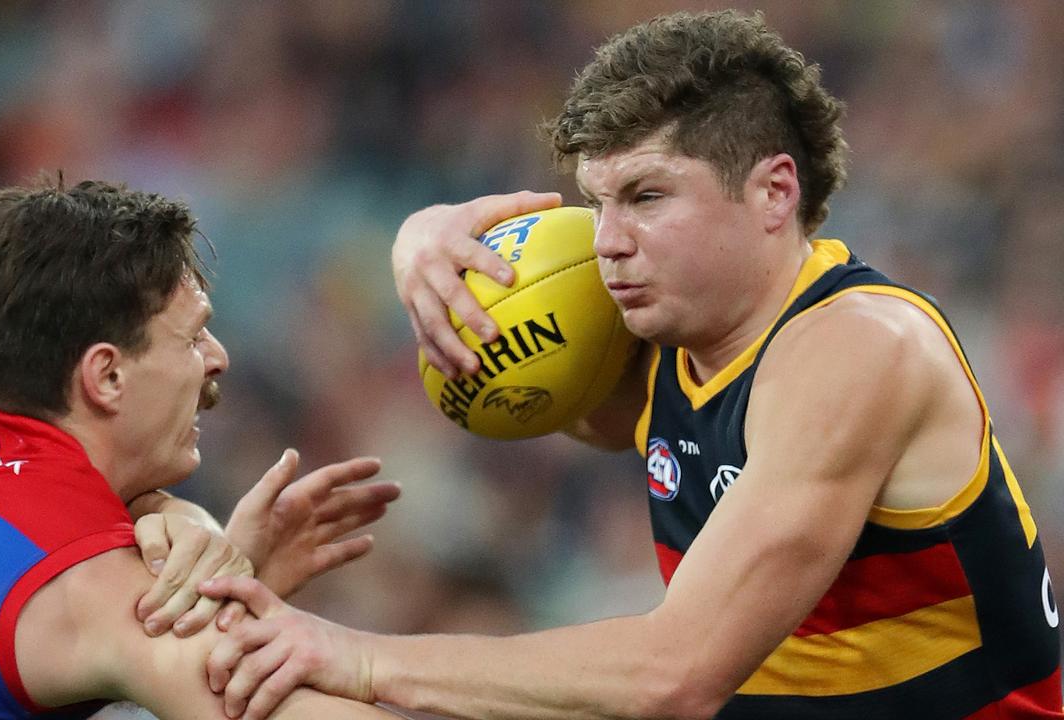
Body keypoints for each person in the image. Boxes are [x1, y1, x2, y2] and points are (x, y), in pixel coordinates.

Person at [197, 10, 1062, 720]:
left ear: (774, 192)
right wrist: (417, 242)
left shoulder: (859, 348)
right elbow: (538, 405)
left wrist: (356, 656)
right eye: (596, 201)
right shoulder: (670, 339)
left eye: (648, 197)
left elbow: (673, 674)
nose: (608, 243)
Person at [0, 179, 403, 719]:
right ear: (106, 376)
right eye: (192, 338)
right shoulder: (102, 592)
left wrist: (175, 518)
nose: (218, 358)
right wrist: (210, 559)